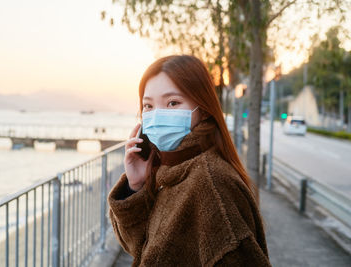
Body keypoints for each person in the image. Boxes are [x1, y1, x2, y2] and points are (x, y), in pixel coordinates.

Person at [108, 55, 271, 266]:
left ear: (203, 110)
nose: (157, 115)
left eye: (173, 103)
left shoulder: (214, 185)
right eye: (148, 106)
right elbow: (141, 249)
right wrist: (136, 186)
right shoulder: (172, 172)